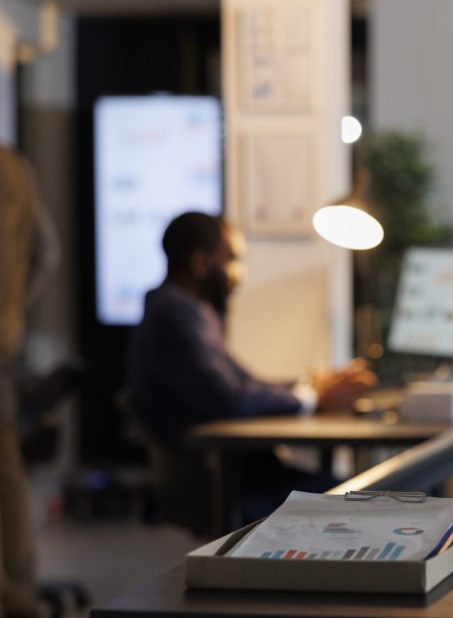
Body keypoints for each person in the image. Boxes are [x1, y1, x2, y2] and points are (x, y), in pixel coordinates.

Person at [128, 211, 376, 521]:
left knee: (381, 493)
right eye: (232, 259)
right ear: (201, 263)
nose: (240, 274)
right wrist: (312, 398)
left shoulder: (185, 311)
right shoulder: (178, 317)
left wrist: (311, 384)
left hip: (242, 476)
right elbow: (230, 399)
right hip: (236, 486)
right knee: (399, 496)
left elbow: (244, 382)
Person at [0, 147, 60, 618]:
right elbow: (47, 252)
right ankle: (19, 594)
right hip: (4, 337)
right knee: (7, 469)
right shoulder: (16, 167)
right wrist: (13, 305)